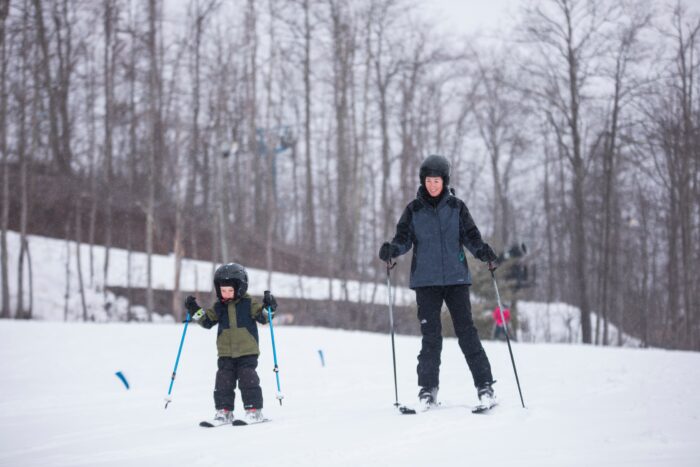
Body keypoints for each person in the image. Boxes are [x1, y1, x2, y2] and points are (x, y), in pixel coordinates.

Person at [379, 154, 499, 410]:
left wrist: (483, 252)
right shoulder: (414, 210)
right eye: (429, 181)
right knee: (431, 337)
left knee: (467, 333)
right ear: (423, 181)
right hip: (426, 282)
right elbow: (403, 239)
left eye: (437, 181)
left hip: (456, 280)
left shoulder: (457, 208)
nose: (433, 185)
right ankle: (427, 390)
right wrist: (392, 250)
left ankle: (485, 385)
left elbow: (471, 237)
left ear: (445, 181)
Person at [184, 262, 277, 425]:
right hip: (226, 352)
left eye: (230, 290)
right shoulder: (219, 306)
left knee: (248, 379)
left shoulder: (249, 303)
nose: (226, 294)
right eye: (223, 290)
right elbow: (206, 321)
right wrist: (194, 310)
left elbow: (264, 318)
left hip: (247, 351)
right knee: (223, 381)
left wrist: (269, 307)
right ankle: (224, 411)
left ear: (240, 288)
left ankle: (254, 410)